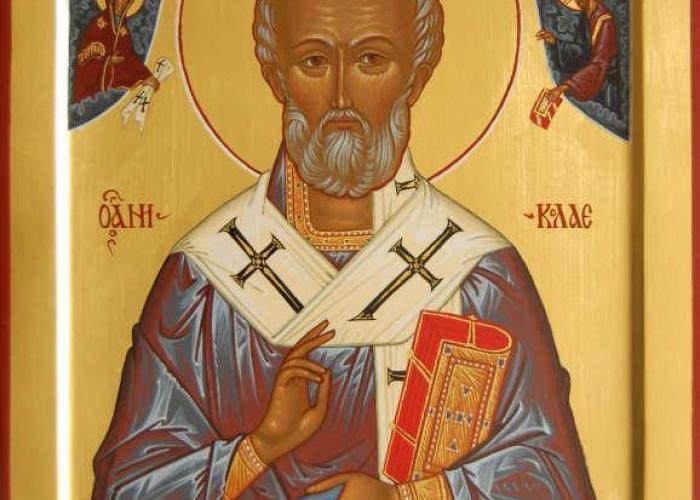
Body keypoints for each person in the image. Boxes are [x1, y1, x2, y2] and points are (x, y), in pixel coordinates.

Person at [92, 0, 596, 498]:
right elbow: (128, 486)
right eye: (313, 60)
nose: (340, 97)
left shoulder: (481, 275)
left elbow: (550, 476)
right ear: (274, 76)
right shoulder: (202, 280)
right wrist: (255, 450)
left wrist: (407, 498)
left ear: (416, 77)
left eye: (371, 60)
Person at [536, 0, 621, 118]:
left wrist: (565, 86)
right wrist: (555, 41)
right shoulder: (587, 16)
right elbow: (581, 52)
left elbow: (599, 65)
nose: (577, 3)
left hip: (602, 87)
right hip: (585, 81)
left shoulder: (605, 22)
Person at [72, 0, 159, 103]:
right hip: (92, 83)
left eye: (126, 2)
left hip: (112, 79)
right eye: (120, 0)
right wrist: (108, 61)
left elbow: (129, 56)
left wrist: (146, 76)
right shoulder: (98, 23)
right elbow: (84, 60)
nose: (122, 4)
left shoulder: (122, 27)